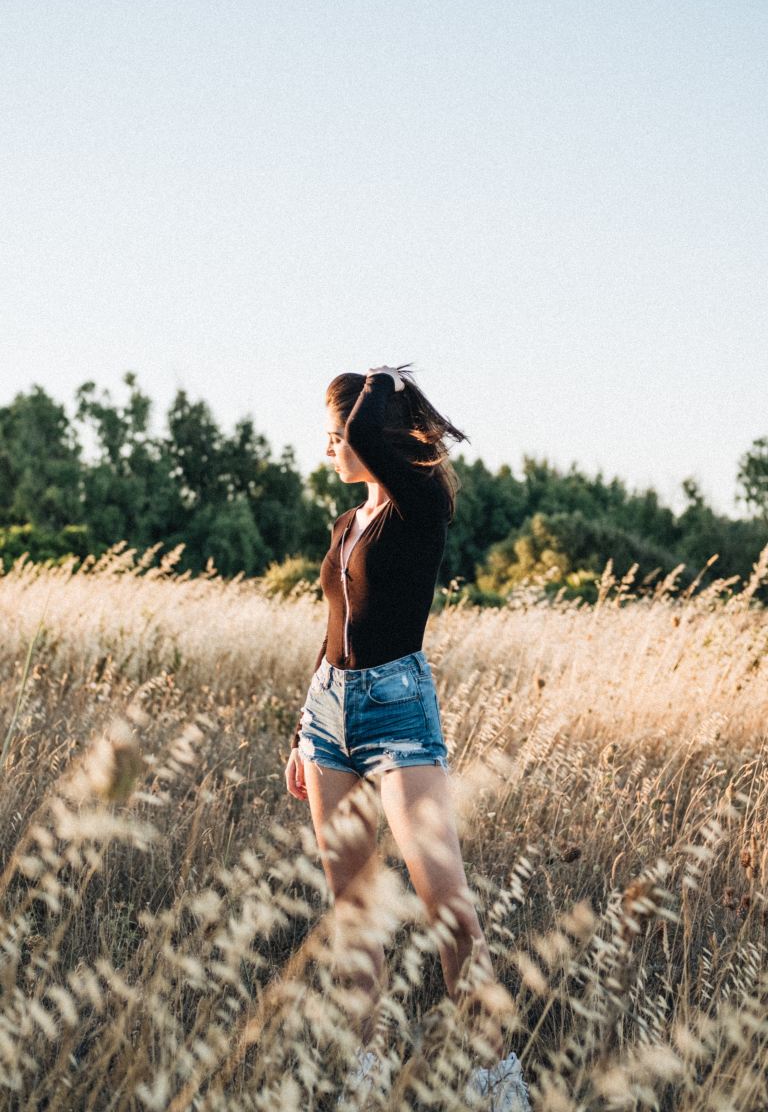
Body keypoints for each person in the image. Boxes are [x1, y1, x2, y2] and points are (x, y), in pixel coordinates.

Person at [284, 365, 529, 1109]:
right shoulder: (347, 521)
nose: (331, 446)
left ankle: (497, 1074)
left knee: (447, 905)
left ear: (375, 435)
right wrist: (304, 726)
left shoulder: (419, 505)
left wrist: (380, 381)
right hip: (330, 719)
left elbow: (363, 428)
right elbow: (334, 632)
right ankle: (372, 1064)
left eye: (340, 433)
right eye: (328, 434)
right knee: (353, 911)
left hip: (399, 716)